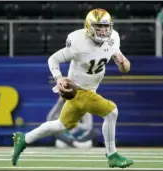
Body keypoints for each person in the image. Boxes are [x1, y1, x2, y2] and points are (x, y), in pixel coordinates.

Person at [11, 8, 133, 168]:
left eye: (106, 26)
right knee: (112, 112)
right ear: (89, 27)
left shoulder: (113, 38)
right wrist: (59, 78)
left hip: (89, 90)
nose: (103, 31)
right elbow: (53, 59)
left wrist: (122, 62)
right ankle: (112, 154)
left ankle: (24, 138)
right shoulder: (78, 42)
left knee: (60, 125)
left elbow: (126, 68)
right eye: (99, 26)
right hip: (79, 91)